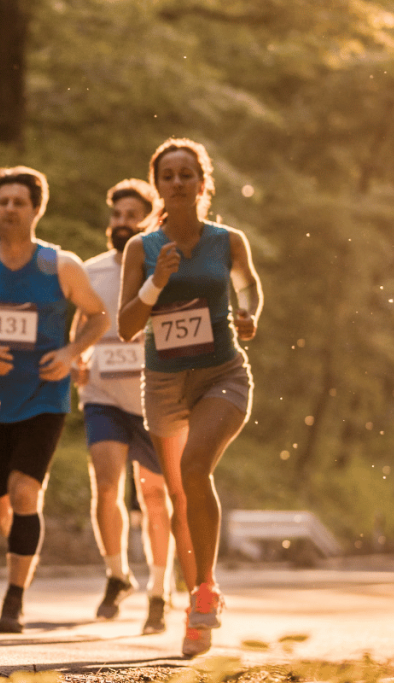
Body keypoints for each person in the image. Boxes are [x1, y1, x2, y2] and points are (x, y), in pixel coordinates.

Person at [0, 166, 110, 634]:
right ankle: (24, 546)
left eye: (19, 202)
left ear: (36, 210)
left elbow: (98, 317)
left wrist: (72, 352)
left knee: (24, 491)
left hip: (44, 396)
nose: (10, 209)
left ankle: (14, 600)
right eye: (3, 202)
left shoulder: (61, 265)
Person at [117, 139, 262, 657]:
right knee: (179, 497)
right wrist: (156, 283)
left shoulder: (229, 242)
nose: (177, 183)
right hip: (163, 383)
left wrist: (249, 317)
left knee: (197, 467)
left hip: (222, 374)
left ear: (203, 183)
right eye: (168, 176)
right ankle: (196, 612)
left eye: (186, 174)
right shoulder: (142, 249)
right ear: (157, 186)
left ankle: (205, 590)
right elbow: (127, 325)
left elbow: (248, 288)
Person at [72, 178, 174, 635]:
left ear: (150, 220)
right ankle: (117, 574)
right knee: (106, 485)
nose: (121, 223)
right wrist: (76, 358)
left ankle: (159, 591)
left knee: (154, 496)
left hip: (154, 401)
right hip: (104, 398)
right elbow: (81, 324)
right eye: (115, 216)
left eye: (131, 216)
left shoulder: (164, 267)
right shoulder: (91, 271)